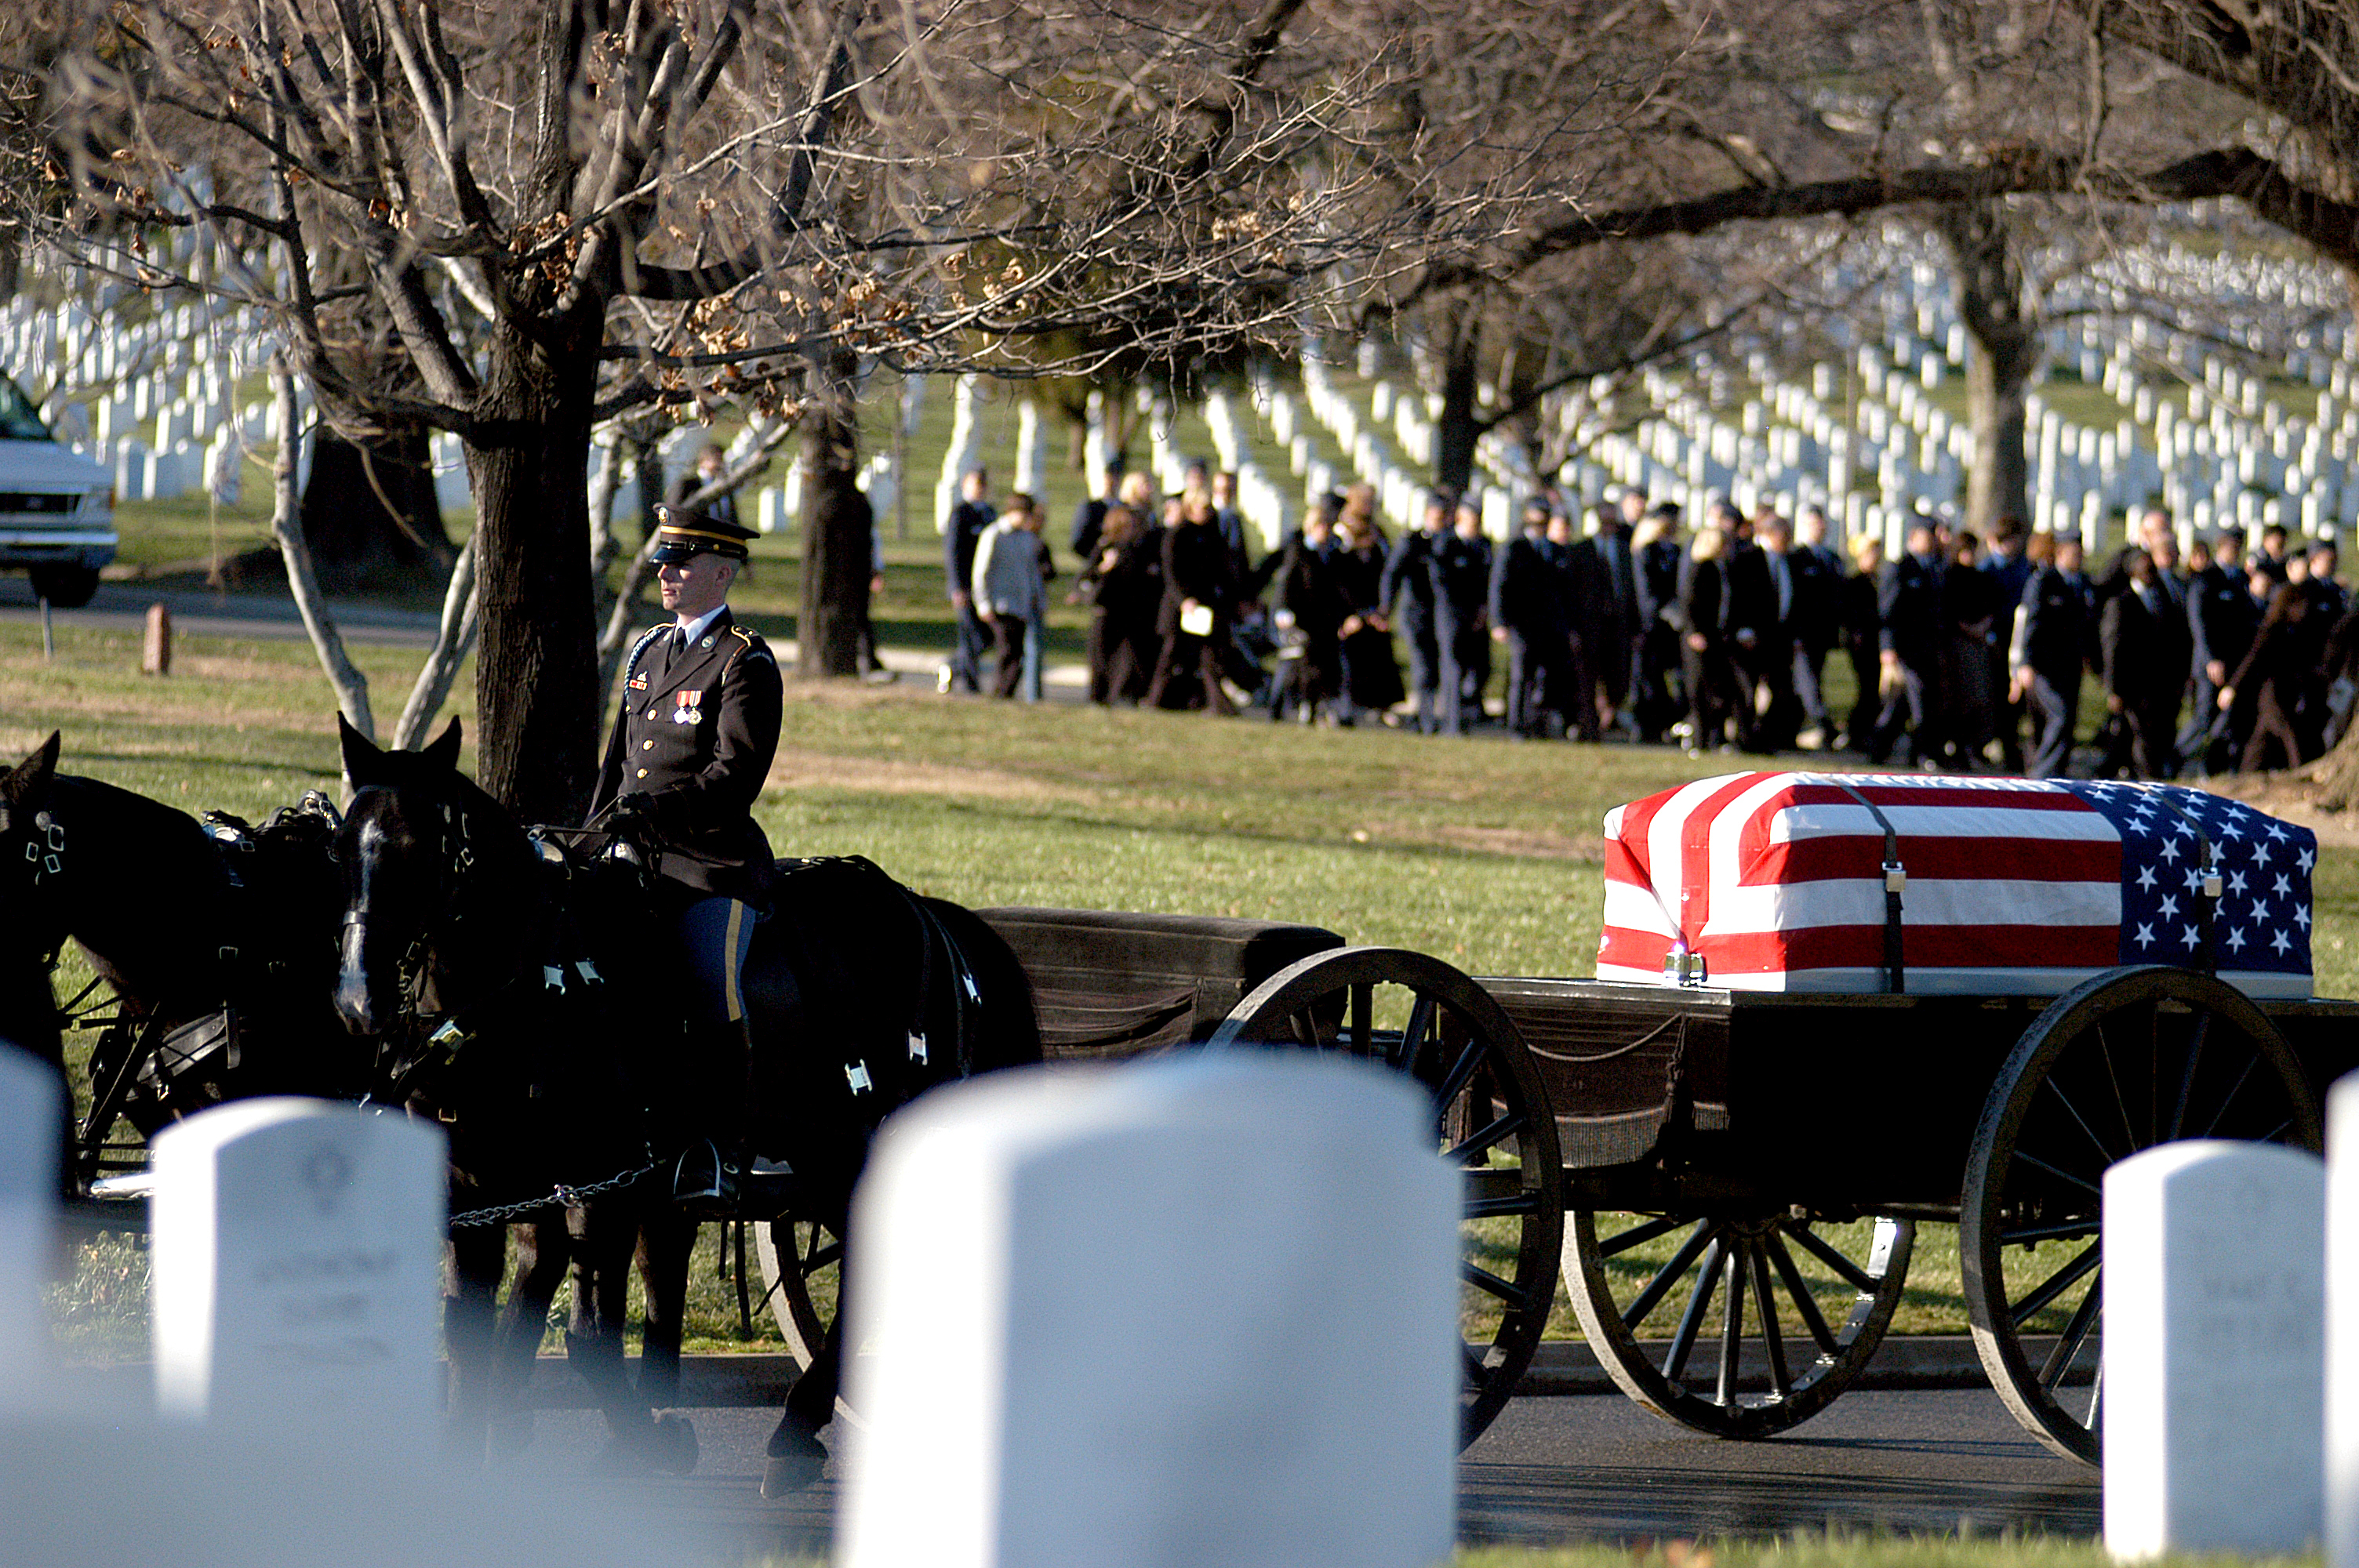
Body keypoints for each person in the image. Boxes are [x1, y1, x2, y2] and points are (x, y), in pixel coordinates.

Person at [588, 505, 780, 1205]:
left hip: (709, 865)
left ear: (722, 573)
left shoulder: (744, 659)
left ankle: (724, 1146)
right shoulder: (647, 650)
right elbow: (618, 763)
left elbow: (736, 774)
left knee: (710, 982)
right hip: (630, 857)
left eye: (683, 563)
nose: (666, 574)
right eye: (665, 562)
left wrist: (658, 811)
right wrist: (591, 834)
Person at [2097, 546, 2192, 780]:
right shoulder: (2121, 603)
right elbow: (2112, 649)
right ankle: (2147, 779)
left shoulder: (2163, 599)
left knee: (2152, 734)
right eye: (2144, 566)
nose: (2150, 572)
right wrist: (2114, 689)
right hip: (2132, 685)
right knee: (2141, 736)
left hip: (2160, 684)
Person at [1146, 492, 1240, 713]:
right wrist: (1183, 600)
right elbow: (1171, 573)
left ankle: (1217, 704)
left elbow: (1222, 570)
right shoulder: (1177, 535)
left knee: (1209, 657)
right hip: (1180, 607)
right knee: (1170, 655)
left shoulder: (1213, 536)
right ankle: (1155, 699)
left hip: (1205, 606)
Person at [2010, 528, 2090, 779]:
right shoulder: (2043, 581)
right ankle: (2041, 771)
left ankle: (2057, 773)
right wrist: (2024, 663)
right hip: (2044, 665)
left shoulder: (2082, 583)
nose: (2078, 558)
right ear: (2060, 553)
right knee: (2059, 715)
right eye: (2073, 553)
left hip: (2071, 664)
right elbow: (2030, 623)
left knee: (2067, 719)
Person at [1490, 499, 1571, 739]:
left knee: (1545, 676)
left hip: (1548, 625)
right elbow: (1499, 585)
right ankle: (1516, 724)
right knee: (1521, 675)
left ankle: (1538, 722)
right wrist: (1499, 622)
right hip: (1521, 623)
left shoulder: (1555, 550)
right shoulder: (1514, 548)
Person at [1870, 521, 1946, 767]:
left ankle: (1879, 748)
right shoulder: (1900, 568)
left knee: (1901, 705)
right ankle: (1927, 754)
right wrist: (1888, 647)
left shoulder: (1934, 568)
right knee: (1920, 698)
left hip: (1928, 648)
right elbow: (1888, 611)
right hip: (1906, 649)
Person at [2186, 527, 2259, 775]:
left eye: (2238, 547)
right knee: (2204, 717)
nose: (2235, 552)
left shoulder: (2240, 579)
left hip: (2235, 661)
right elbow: (2200, 623)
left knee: (2231, 719)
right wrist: (2211, 659)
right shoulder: (2206, 579)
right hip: (2211, 662)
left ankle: (2215, 768)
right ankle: (2179, 758)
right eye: (2231, 547)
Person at [2220, 576, 2311, 774]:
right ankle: (2300, 772)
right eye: (2301, 606)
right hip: (2273, 694)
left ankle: (2247, 773)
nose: (2304, 611)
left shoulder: (2293, 631)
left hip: (2284, 694)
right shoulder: (2272, 630)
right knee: (2289, 732)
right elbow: (2251, 660)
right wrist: (2232, 687)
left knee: (2261, 740)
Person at [1565, 499, 1638, 740]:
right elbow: (1571, 593)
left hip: (1618, 626)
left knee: (1618, 679)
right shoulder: (1580, 551)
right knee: (1587, 679)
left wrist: (1635, 626)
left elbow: (1631, 590)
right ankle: (1589, 727)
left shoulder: (1625, 550)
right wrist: (1573, 628)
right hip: (1589, 626)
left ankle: (1608, 716)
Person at [1382, 492, 1452, 733]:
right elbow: (1392, 573)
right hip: (1417, 615)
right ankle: (1426, 718)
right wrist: (1386, 606)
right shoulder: (1413, 541)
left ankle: (1436, 715)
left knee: (1441, 667)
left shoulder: (1451, 542)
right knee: (1424, 667)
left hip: (1443, 616)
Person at [1078, 504, 1161, 704]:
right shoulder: (1105, 547)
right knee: (1101, 661)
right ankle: (1099, 698)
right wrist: (1105, 567)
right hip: (1106, 612)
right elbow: (1085, 578)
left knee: (1126, 661)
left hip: (1129, 614)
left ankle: (1123, 696)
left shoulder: (1137, 550)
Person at [1270, 504, 1346, 722]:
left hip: (1322, 620)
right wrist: (1284, 612)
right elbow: (1287, 583)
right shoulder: (1299, 550)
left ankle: (1312, 706)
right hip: (1298, 617)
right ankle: (1277, 707)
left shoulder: (1332, 554)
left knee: (1318, 665)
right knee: (1293, 663)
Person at [972, 492, 1048, 700]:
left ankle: (1006, 694)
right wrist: (983, 603)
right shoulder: (994, 534)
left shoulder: (1027, 538)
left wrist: (1038, 598)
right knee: (1006, 651)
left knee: (1017, 654)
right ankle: (1000, 693)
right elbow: (981, 572)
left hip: (1021, 605)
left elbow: (1032, 572)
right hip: (1000, 603)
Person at [1334, 511, 1404, 724]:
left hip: (1376, 617)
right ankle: (1351, 707)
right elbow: (1343, 590)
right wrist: (1360, 615)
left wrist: (1380, 612)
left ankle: (1383, 706)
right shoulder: (1344, 559)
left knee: (1381, 661)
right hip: (1352, 619)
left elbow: (1386, 585)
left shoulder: (1378, 557)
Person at [1939, 530, 2001, 767]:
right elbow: (1949, 611)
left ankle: (1976, 744)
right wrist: (1968, 628)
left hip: (1978, 642)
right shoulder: (1950, 577)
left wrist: (1983, 626)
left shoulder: (1980, 577)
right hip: (1958, 643)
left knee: (1981, 697)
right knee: (1961, 698)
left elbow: (1990, 606)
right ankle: (1959, 747)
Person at [1432, 499, 1493, 735]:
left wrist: (1482, 610)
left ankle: (1469, 711)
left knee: (1480, 667)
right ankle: (1452, 721)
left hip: (1476, 616)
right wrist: (1460, 612)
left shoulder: (1483, 545)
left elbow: (1488, 579)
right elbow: (1441, 582)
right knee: (1453, 667)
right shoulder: (1446, 543)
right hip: (1452, 615)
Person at [1674, 521, 1736, 753]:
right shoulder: (1699, 569)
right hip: (1698, 637)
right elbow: (1688, 603)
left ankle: (1714, 736)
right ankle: (1699, 738)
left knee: (1716, 688)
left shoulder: (1718, 569)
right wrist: (1693, 631)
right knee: (1699, 688)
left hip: (1714, 635)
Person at [1632, 499, 1687, 742]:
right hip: (1650, 626)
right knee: (1648, 678)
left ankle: (1670, 723)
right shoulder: (1646, 552)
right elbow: (1645, 592)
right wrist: (1664, 611)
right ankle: (1647, 727)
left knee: (1676, 680)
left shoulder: (1676, 551)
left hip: (1673, 628)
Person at [940, 466, 994, 694]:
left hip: (985, 586)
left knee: (987, 637)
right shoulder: (960, 513)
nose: (980, 488)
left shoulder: (989, 513)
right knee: (970, 635)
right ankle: (972, 687)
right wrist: (957, 587)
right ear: (965, 486)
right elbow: (953, 553)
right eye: (975, 483)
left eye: (983, 484)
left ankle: (952, 666)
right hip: (965, 585)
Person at [1839, 532, 1885, 753]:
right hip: (1862, 644)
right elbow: (1850, 613)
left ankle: (1866, 733)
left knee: (1873, 690)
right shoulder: (1854, 582)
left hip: (1876, 642)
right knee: (1866, 688)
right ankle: (1856, 733)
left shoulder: (1879, 580)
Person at [667, 441, 742, 528]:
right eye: (715, 460)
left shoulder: (725, 486)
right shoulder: (686, 485)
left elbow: (732, 517)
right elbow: (673, 514)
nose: (719, 465)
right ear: (702, 462)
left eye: (721, 460)